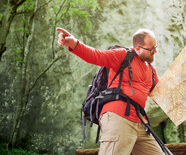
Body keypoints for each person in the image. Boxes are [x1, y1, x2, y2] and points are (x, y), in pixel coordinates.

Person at [56, 27, 163, 155]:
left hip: (140, 123)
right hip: (118, 118)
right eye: (151, 49)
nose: (155, 51)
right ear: (138, 48)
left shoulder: (151, 71)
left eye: (156, 47)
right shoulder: (123, 55)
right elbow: (96, 56)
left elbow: (161, 98)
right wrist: (74, 44)